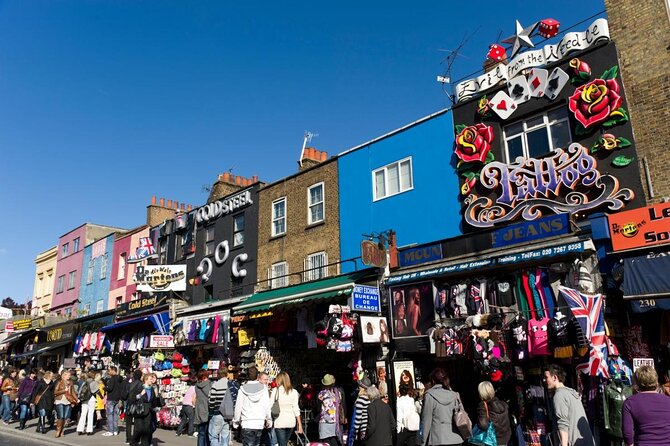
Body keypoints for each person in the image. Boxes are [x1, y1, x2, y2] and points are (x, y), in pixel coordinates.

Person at [544, 364, 594, 446]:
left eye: (546, 377)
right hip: (587, 441)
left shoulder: (559, 395)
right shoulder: (571, 392)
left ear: (555, 377)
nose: (544, 380)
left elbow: (563, 424)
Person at [622, 365, 670, 446]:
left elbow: (627, 434)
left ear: (637, 382)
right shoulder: (668, 401)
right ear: (656, 381)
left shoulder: (630, 403)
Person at [421, 368, 463, 446]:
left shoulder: (430, 395)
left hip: (438, 439)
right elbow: (461, 414)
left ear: (433, 381)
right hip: (456, 438)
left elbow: (426, 420)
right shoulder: (455, 395)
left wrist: (423, 441)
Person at [233, 366, 272, 446]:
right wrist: (269, 419)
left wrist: (236, 421)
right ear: (257, 376)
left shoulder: (242, 389)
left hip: (247, 422)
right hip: (259, 422)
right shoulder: (264, 389)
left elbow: (238, 407)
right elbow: (267, 406)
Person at [271, 371, 302, 446]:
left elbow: (270, 405)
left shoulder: (275, 391)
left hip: (279, 421)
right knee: (284, 442)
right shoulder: (294, 392)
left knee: (282, 443)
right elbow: (296, 409)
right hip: (291, 422)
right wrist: (300, 425)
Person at [476, 381, 511, 446]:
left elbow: (483, 425)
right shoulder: (502, 403)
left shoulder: (483, 406)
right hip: (505, 438)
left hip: (492, 440)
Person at [129, 373, 161, 446]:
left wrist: (155, 408)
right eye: (150, 379)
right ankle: (133, 442)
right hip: (140, 410)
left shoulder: (152, 389)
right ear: (146, 380)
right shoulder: (139, 387)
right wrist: (140, 395)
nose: (151, 380)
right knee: (139, 429)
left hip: (149, 411)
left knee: (147, 430)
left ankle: (145, 444)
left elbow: (153, 401)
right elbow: (132, 398)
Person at [318, 374, 346, 446]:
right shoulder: (338, 393)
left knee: (326, 443)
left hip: (324, 422)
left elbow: (318, 406)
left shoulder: (321, 394)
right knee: (334, 441)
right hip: (335, 422)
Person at [209, 366, 231, 446]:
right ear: (226, 374)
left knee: (214, 437)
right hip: (228, 414)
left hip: (217, 413)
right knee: (225, 437)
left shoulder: (216, 385)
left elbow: (212, 401)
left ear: (218, 374)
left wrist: (211, 411)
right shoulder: (231, 385)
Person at [53, 369, 77, 437]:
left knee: (65, 417)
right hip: (60, 400)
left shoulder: (71, 382)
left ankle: (62, 430)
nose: (69, 376)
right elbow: (55, 392)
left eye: (69, 375)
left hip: (68, 401)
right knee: (61, 416)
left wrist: (76, 399)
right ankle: (58, 430)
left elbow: (73, 392)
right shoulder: (59, 382)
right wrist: (64, 390)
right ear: (64, 376)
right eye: (68, 375)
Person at [32, 370, 55, 434]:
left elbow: (52, 392)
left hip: (49, 400)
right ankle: (43, 427)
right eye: (51, 375)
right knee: (42, 412)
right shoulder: (41, 382)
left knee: (44, 413)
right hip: (41, 400)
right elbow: (35, 392)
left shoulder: (51, 383)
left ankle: (38, 427)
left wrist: (54, 400)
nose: (52, 376)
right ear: (48, 375)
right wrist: (32, 401)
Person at [125, 369, 145, 445]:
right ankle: (135, 439)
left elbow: (125, 395)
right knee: (137, 423)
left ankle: (128, 439)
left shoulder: (129, 384)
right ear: (140, 376)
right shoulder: (141, 385)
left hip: (129, 404)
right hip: (137, 405)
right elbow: (142, 396)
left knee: (128, 423)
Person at [76, 370, 99, 436]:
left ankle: (80, 429)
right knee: (90, 414)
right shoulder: (94, 382)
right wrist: (101, 397)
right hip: (92, 399)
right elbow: (96, 391)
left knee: (83, 414)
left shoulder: (84, 382)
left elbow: (80, 391)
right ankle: (89, 430)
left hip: (84, 399)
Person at [194, 369, 212, 446]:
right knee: (207, 433)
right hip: (207, 410)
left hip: (199, 411)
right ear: (205, 376)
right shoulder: (209, 384)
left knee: (201, 433)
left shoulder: (196, 386)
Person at [103, 365, 123, 436]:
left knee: (110, 415)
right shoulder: (120, 379)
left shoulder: (112, 379)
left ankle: (110, 431)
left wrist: (105, 388)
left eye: (109, 370)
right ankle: (115, 430)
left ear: (113, 370)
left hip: (111, 398)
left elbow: (110, 388)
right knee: (115, 415)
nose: (108, 372)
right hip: (118, 398)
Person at [176, 372, 197, 437]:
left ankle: (178, 432)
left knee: (184, 419)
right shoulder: (195, 389)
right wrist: (194, 406)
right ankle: (190, 432)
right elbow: (193, 399)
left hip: (184, 404)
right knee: (191, 419)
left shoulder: (190, 388)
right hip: (189, 405)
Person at [352, 378, 371, 443]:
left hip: (363, 430)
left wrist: (354, 433)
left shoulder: (360, 400)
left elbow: (358, 419)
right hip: (370, 428)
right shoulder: (370, 398)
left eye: (359, 386)